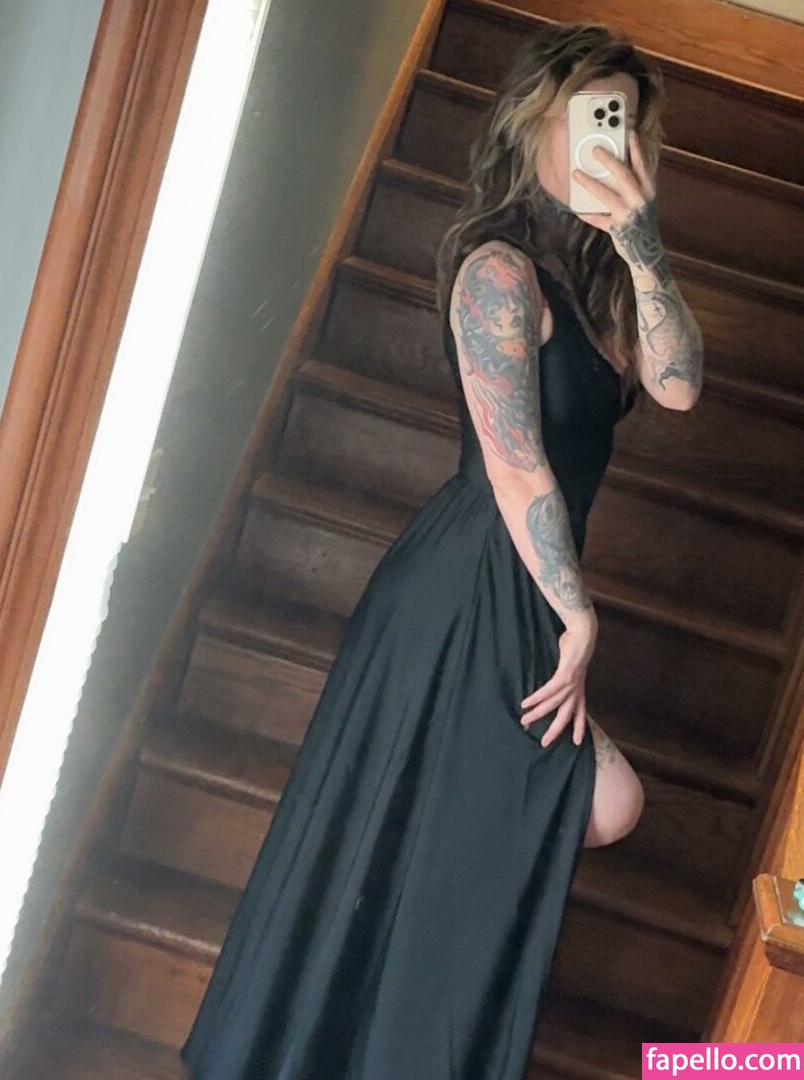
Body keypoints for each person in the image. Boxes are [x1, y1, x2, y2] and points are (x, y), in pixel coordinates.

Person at [180, 20, 704, 1080]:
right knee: (580, 804)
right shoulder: (497, 270)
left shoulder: (603, 283)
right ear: (534, 122)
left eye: (627, 126)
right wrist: (579, 613)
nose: (609, 141)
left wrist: (643, 243)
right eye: (590, 117)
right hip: (470, 580)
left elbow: (681, 384)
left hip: (522, 579)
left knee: (466, 841)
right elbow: (515, 465)